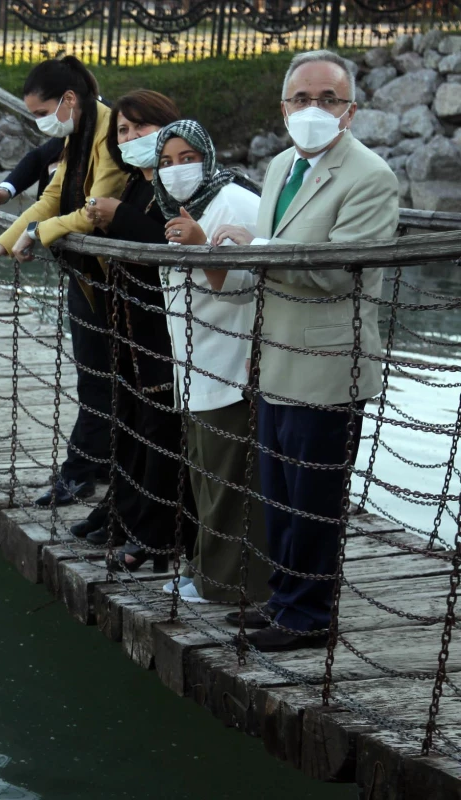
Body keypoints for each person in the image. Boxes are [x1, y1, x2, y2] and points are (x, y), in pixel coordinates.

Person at [196, 50, 399, 651]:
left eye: (328, 99)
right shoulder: (282, 164)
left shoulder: (370, 177)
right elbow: (269, 263)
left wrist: (252, 244)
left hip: (329, 364)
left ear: (351, 111)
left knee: (314, 500)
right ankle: (283, 600)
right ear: (283, 108)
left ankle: (310, 617)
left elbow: (337, 272)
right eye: (301, 99)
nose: (314, 109)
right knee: (279, 494)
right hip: (276, 358)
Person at [0, 56, 128, 508]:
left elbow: (94, 209)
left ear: (68, 100)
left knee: (106, 380)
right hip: (89, 276)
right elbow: (54, 196)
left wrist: (41, 233)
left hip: (124, 280)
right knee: (96, 377)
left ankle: (79, 474)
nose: (38, 124)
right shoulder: (80, 128)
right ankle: (100, 468)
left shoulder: (113, 132)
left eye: (40, 113)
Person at [150, 119, 270, 602]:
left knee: (229, 481)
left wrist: (202, 244)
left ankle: (229, 584)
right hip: (194, 365)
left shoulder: (237, 204)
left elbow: (250, 285)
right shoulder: (177, 206)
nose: (177, 170)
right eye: (166, 162)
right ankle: (205, 570)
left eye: (187, 158)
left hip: (231, 362)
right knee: (204, 473)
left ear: (209, 156)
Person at [77, 90, 191, 574]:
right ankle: (123, 513)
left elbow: (167, 248)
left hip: (162, 333)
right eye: (123, 130)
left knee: (160, 430)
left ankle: (155, 535)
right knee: (128, 422)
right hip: (127, 326)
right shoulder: (131, 185)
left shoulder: (177, 188)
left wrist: (118, 219)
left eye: (142, 127)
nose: (132, 137)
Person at [0, 137, 67, 215]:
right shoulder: (69, 134)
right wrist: (5, 190)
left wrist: (55, 174)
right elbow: (40, 157)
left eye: (43, 113)